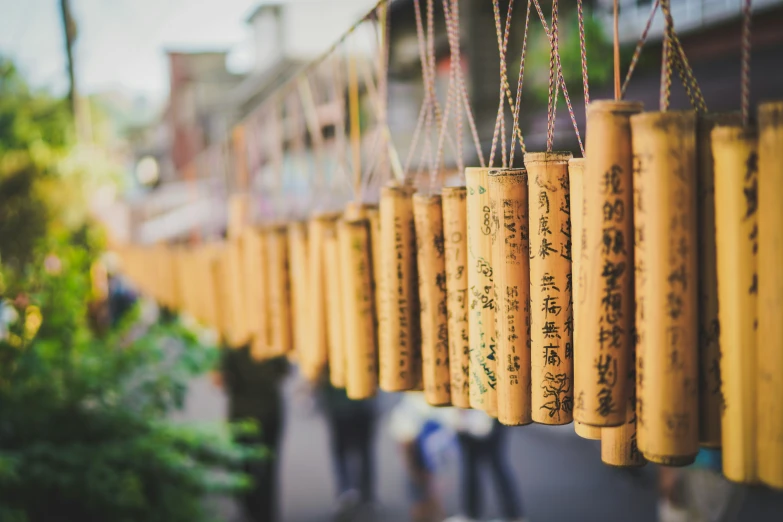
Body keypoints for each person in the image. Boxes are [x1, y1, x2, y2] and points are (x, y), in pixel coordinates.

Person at [217, 346, 289, 522]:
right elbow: (284, 371)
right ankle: (266, 515)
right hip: (269, 411)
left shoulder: (233, 341)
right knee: (268, 468)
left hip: (242, 413)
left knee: (245, 466)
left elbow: (222, 380)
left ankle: (249, 512)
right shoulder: (274, 337)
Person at [313, 372, 377, 521]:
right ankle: (354, 494)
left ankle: (358, 494)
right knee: (355, 451)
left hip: (353, 405)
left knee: (354, 451)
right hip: (344, 405)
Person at [446, 412, 526, 522]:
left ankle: (513, 516)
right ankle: (472, 514)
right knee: (474, 464)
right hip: (475, 415)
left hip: (486, 412)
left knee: (494, 462)